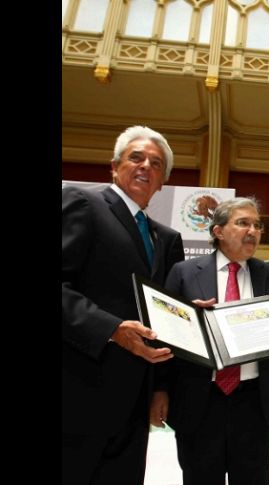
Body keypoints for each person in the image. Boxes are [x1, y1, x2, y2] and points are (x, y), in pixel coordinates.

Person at [150, 197, 269, 485]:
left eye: (257, 225)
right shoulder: (184, 272)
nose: (253, 230)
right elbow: (164, 334)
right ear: (218, 231)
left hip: (252, 402)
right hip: (199, 400)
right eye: (243, 223)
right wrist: (160, 389)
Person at [62, 126, 185, 484]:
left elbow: (164, 311)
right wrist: (111, 330)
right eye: (136, 157)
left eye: (156, 163)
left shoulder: (166, 237)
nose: (146, 165)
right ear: (114, 167)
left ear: (163, 181)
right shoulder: (84, 204)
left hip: (135, 398)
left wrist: (161, 386)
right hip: (79, 392)